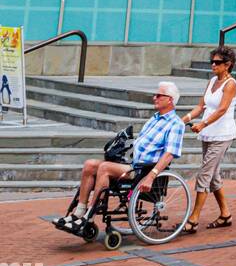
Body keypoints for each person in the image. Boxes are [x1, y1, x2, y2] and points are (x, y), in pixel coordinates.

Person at [55, 81, 184, 232]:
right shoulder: (155, 118)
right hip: (133, 163)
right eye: (155, 95)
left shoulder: (176, 124)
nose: (154, 97)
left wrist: (151, 176)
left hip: (144, 170)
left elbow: (169, 155)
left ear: (170, 99)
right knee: (90, 164)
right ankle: (79, 212)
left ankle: (88, 216)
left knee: (105, 167)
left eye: (158, 95)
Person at [181, 45, 236, 233]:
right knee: (213, 175)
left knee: (204, 174)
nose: (213, 65)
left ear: (228, 64)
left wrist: (203, 124)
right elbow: (201, 106)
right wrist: (185, 119)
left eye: (217, 62)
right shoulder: (213, 80)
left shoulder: (230, 84)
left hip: (222, 135)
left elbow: (222, 109)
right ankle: (225, 214)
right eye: (212, 62)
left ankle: (194, 218)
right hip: (208, 133)